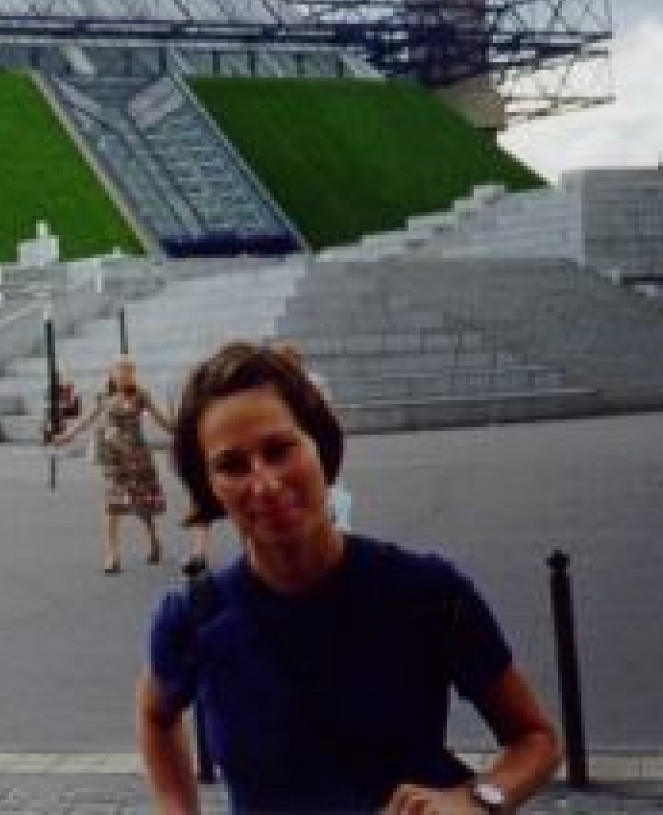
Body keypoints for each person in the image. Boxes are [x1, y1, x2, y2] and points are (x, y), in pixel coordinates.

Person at [135, 341, 559, 813]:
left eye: (279, 450)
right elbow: (156, 715)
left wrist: (479, 798)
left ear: (321, 444)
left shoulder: (425, 593)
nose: (266, 484)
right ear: (208, 487)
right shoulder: (195, 619)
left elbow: (534, 738)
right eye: (232, 466)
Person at [48, 356, 173, 573]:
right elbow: (87, 419)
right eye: (121, 370)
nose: (125, 374)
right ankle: (112, 555)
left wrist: (180, 428)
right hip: (113, 459)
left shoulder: (141, 396)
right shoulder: (103, 396)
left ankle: (154, 541)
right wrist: (67, 436)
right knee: (112, 504)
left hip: (138, 457)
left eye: (129, 371)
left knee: (143, 504)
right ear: (112, 373)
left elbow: (161, 420)